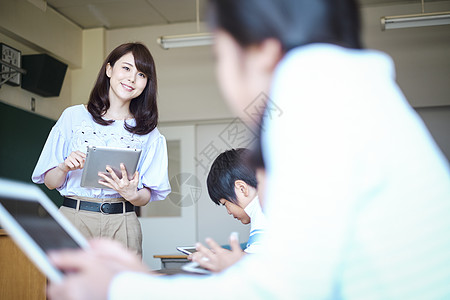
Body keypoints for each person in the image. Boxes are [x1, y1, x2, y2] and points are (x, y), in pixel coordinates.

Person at [48, 0, 450, 299]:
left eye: (220, 55)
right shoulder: (353, 93)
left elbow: (279, 289)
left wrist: (121, 287)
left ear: (262, 50)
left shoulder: (316, 107)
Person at [32, 42, 171, 255]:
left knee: (122, 287)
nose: (132, 79)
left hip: (122, 221)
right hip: (75, 217)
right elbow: (50, 182)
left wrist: (131, 194)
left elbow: (148, 194)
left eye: (142, 74)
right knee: (70, 286)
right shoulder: (73, 117)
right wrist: (63, 168)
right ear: (109, 70)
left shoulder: (149, 133)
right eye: (126, 68)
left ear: (147, 83)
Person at [189, 148, 267, 272]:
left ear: (242, 188)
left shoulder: (262, 210)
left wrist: (213, 260)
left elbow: (257, 264)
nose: (229, 212)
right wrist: (224, 255)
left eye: (225, 204)